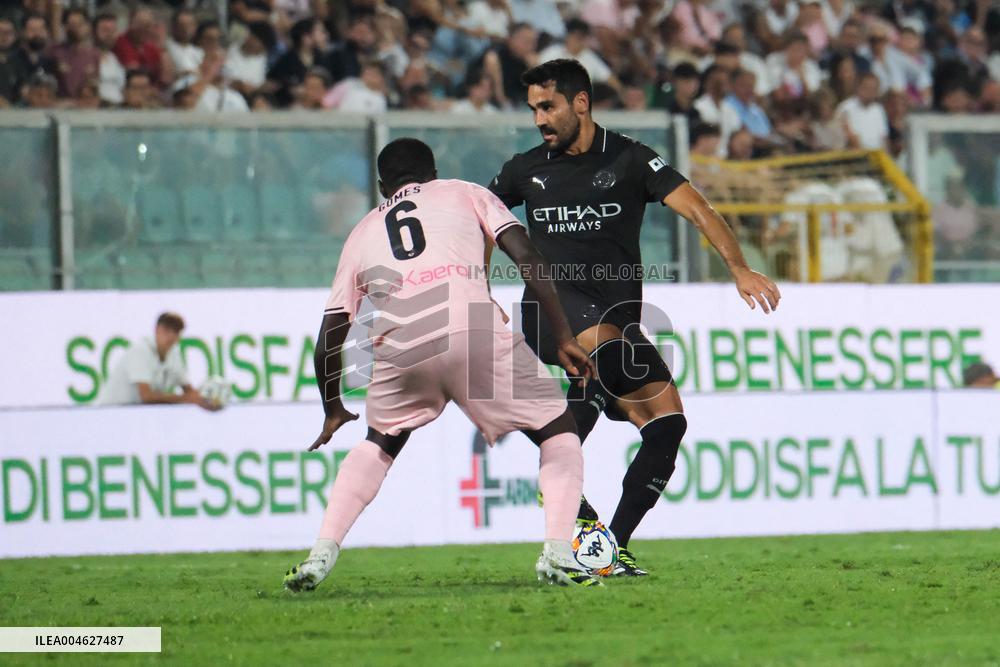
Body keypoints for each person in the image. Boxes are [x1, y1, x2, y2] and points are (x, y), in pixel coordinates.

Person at [489, 59, 780, 576]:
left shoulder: (629, 159)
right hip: (550, 309)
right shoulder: (523, 169)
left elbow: (699, 209)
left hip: (616, 316)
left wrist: (739, 268)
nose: (539, 119)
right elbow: (480, 219)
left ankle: (606, 549)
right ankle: (560, 476)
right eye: (534, 108)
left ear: (581, 103)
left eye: (548, 106)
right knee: (606, 356)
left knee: (667, 423)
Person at [282, 138, 601, 591]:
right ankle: (556, 554)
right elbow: (529, 258)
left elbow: (327, 340)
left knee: (379, 442)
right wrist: (565, 335)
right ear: (433, 172)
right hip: (471, 326)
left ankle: (319, 555)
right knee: (560, 432)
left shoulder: (361, 232)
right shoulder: (466, 192)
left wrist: (333, 407)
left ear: (380, 186)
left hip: (399, 342)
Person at [99, 312, 219, 410]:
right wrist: (187, 399)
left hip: (133, 416)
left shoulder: (174, 355)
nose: (171, 336)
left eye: (176, 332)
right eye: (167, 330)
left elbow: (189, 391)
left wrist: (208, 400)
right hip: (110, 415)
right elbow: (146, 396)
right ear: (156, 330)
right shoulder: (140, 351)